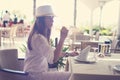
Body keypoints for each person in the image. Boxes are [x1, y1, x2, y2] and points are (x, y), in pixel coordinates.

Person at [24, 5, 76, 80]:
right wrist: (62, 38)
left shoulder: (37, 35)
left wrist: (68, 54)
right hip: (36, 76)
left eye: (52, 17)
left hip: (35, 73)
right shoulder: (38, 38)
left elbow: (51, 53)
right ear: (41, 20)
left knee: (70, 74)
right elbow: (53, 59)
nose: (52, 20)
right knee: (72, 76)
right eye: (49, 18)